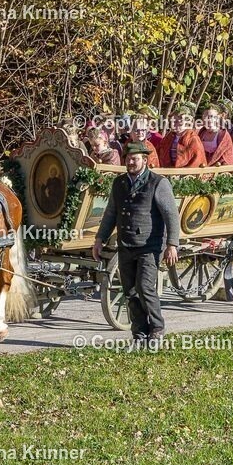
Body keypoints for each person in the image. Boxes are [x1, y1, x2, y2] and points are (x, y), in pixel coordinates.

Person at [93, 142, 180, 343]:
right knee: (130, 291)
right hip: (126, 244)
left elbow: (171, 215)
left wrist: (172, 244)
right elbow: (111, 213)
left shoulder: (158, 183)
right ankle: (139, 333)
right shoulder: (119, 183)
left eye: (135, 159)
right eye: (128, 159)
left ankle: (157, 329)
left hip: (150, 246)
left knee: (145, 287)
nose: (131, 162)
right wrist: (100, 239)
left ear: (145, 160)